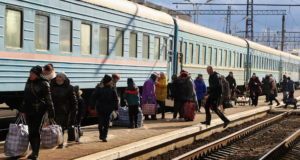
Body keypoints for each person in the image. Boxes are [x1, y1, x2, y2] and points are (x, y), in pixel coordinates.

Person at [18, 65, 55, 160]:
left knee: (35, 131)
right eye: (30, 73)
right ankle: (33, 152)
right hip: (28, 110)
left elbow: (48, 99)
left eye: (32, 73)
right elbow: (25, 96)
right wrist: (21, 109)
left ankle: (35, 153)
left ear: (38, 75)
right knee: (31, 131)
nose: (30, 75)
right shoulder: (29, 82)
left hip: (39, 111)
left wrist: (51, 113)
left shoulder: (44, 83)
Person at [50, 72, 78, 147]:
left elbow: (73, 100)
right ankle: (55, 141)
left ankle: (60, 143)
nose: (58, 78)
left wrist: (74, 110)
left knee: (60, 127)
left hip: (63, 110)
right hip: (53, 109)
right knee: (53, 126)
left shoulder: (69, 87)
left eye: (60, 77)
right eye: (57, 77)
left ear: (64, 79)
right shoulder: (52, 85)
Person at [90, 75, 119, 142]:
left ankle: (105, 136)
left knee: (107, 123)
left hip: (109, 109)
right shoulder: (99, 87)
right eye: (110, 81)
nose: (111, 82)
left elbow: (115, 99)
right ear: (107, 82)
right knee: (101, 123)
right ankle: (101, 133)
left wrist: (116, 107)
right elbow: (93, 97)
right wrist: (92, 106)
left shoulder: (112, 88)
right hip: (101, 108)